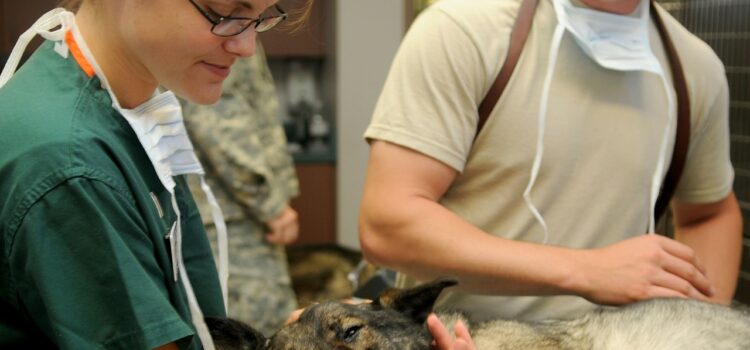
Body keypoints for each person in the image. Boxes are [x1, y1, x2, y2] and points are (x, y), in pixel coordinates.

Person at [0, 0, 473, 348]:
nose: (247, 46)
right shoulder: (72, 166)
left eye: (262, 18)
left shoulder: (119, 112)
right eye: (224, 12)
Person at [360, 0, 743, 323]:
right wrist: (586, 270)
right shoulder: (465, 30)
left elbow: (709, 213)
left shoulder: (694, 68)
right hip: (462, 338)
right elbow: (388, 223)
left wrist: (701, 328)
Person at [181, 43, 300, 336]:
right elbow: (218, 120)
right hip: (232, 218)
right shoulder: (222, 26)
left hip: (226, 212)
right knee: (260, 332)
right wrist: (270, 204)